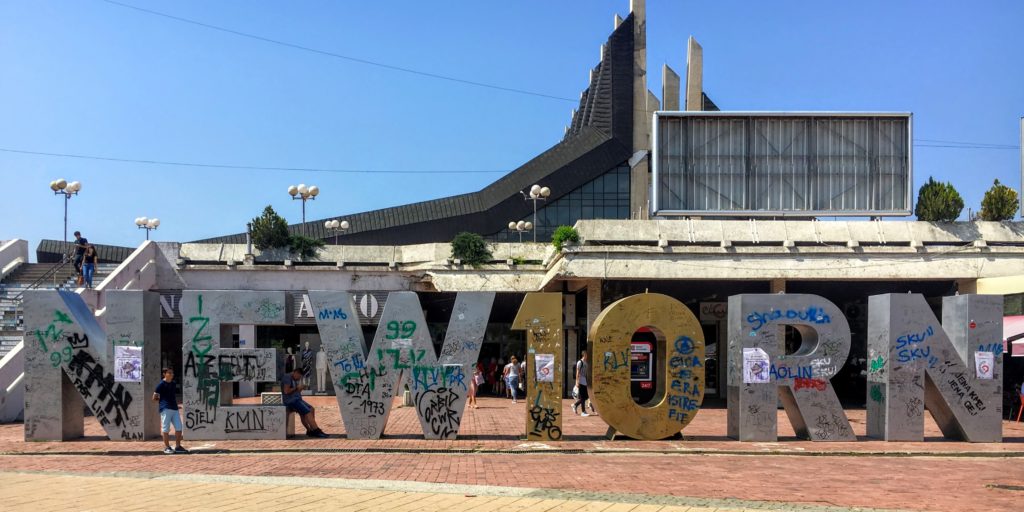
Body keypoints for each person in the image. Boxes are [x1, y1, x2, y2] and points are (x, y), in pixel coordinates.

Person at [282, 367, 328, 438]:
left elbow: (296, 391)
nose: (299, 379)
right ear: (296, 373)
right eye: (299, 377)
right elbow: (286, 391)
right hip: (291, 401)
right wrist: (297, 388)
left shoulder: (294, 378)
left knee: (311, 409)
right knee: (307, 412)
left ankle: (310, 430)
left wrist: (300, 389)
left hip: (297, 399)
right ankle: (316, 430)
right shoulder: (287, 377)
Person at [152, 368, 188, 454]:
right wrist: (162, 401)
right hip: (165, 409)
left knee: (179, 427)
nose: (172, 374)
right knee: (166, 429)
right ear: (164, 374)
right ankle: (167, 447)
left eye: (172, 373)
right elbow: (154, 397)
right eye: (170, 373)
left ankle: (178, 446)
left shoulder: (173, 384)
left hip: (175, 409)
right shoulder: (161, 384)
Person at [573, 350, 590, 416]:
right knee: (582, 397)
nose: (587, 357)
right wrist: (577, 382)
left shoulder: (586, 363)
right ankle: (583, 412)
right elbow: (577, 373)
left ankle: (575, 405)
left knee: (586, 397)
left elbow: (585, 374)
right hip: (580, 381)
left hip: (584, 381)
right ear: (584, 355)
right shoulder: (580, 362)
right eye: (586, 355)